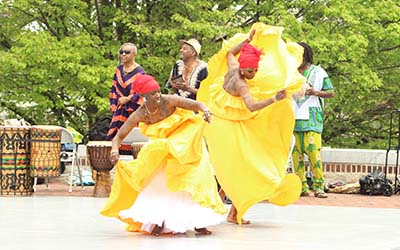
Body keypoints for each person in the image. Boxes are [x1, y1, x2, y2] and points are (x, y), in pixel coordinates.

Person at [198, 23, 305, 225]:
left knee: (235, 167)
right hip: (230, 126)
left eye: (255, 70)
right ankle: (232, 209)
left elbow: (230, 52)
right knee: (248, 165)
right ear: (243, 67)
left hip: (221, 120)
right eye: (250, 71)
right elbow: (253, 106)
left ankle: (224, 207)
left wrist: (247, 40)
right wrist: (275, 99)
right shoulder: (241, 84)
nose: (253, 74)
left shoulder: (232, 66)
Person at [101, 74, 226, 236]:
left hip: (188, 143)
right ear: (144, 96)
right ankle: (160, 219)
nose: (158, 95)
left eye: (158, 91)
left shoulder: (170, 100)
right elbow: (118, 137)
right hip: (166, 148)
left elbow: (198, 104)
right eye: (153, 93)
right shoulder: (140, 114)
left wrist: (206, 111)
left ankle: (198, 222)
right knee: (161, 180)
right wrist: (114, 150)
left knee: (194, 180)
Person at [292, 42, 334, 198]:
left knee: (313, 153)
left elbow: (330, 92)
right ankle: (301, 187)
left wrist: (314, 92)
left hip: (311, 118)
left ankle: (318, 186)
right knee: (296, 155)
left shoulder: (319, 72)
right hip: (293, 117)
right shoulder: (290, 73)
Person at [106, 43, 145, 153]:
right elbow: (114, 88)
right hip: (119, 109)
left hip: (133, 110)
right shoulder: (118, 69)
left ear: (134, 54)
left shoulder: (139, 72)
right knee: (114, 137)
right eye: (121, 52)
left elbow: (142, 92)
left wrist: (128, 99)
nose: (123, 54)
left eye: (127, 52)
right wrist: (113, 105)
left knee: (130, 138)